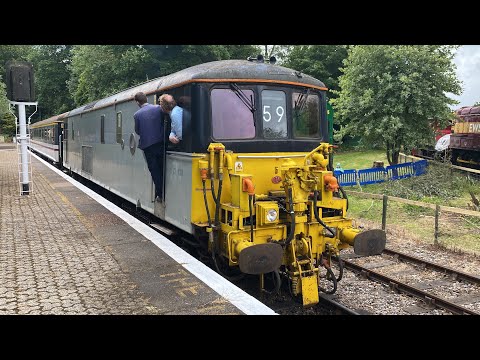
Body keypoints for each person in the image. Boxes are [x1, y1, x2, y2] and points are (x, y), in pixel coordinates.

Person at [133, 91, 164, 202]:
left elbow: (137, 130)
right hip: (160, 143)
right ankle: (161, 191)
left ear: (137, 102)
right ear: (146, 99)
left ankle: (160, 194)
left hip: (147, 146)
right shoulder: (158, 108)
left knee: (154, 169)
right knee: (162, 167)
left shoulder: (137, 115)